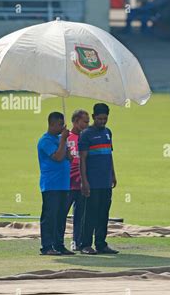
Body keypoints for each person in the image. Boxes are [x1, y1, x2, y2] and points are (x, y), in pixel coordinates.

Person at [78, 103, 118, 255]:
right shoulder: (86, 134)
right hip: (92, 182)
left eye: (105, 119)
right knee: (90, 214)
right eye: (99, 118)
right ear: (93, 117)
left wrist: (113, 174)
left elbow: (109, 154)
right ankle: (85, 245)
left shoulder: (108, 132)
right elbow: (82, 159)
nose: (102, 121)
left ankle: (101, 244)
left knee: (103, 214)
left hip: (106, 181)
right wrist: (84, 181)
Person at [37, 112, 74, 256]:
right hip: (51, 184)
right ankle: (47, 246)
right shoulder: (45, 141)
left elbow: (67, 158)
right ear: (51, 124)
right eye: (60, 124)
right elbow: (58, 157)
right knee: (50, 216)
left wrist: (67, 150)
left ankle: (59, 244)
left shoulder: (60, 139)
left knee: (61, 216)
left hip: (64, 184)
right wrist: (63, 140)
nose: (63, 127)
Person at [66, 109, 89, 251]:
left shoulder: (87, 138)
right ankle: (57, 242)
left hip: (82, 183)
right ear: (75, 122)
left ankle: (77, 241)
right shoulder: (66, 137)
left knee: (80, 215)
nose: (87, 124)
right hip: (67, 183)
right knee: (61, 214)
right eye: (84, 122)